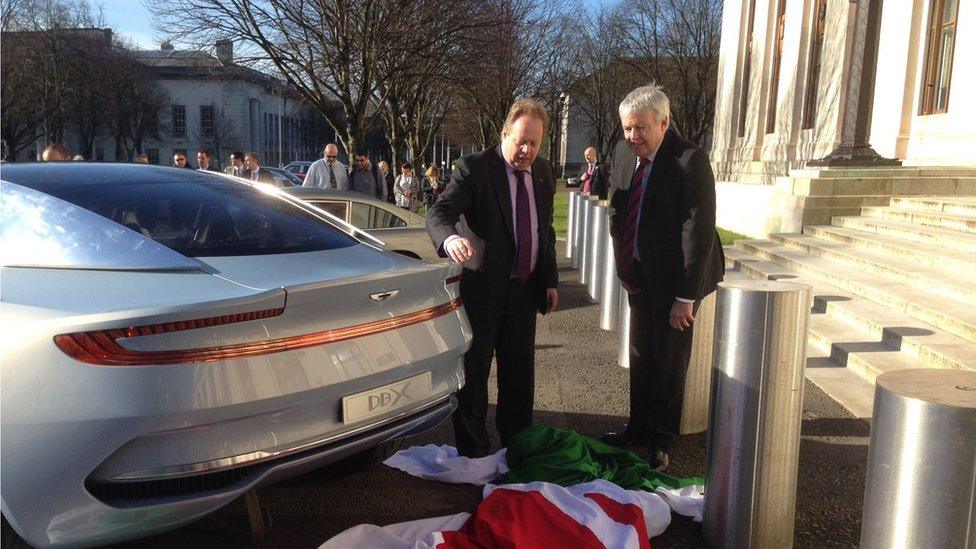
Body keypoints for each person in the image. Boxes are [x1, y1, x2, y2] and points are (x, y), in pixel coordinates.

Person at [601, 84, 724, 472]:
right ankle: (637, 429)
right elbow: (617, 211)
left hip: (679, 280)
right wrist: (624, 268)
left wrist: (685, 297)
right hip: (640, 275)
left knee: (669, 361)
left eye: (640, 128)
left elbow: (698, 229)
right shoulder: (623, 154)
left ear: (664, 122)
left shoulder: (689, 160)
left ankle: (660, 440)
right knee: (641, 354)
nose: (632, 137)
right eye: (626, 128)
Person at [426, 99, 559, 458]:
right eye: (521, 141)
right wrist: (450, 238)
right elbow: (439, 212)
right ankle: (474, 452)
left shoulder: (544, 172)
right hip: (482, 290)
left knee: (519, 375)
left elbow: (544, 231)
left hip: (524, 290)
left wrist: (550, 280)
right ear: (504, 134)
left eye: (535, 142)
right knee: (475, 373)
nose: (527, 150)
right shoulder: (475, 168)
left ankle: (518, 444)